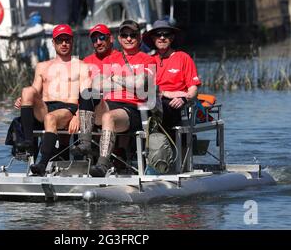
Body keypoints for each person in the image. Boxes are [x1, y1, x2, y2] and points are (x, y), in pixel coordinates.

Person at [80, 20, 157, 177]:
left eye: (132, 35)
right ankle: (85, 143)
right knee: (87, 93)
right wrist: (129, 81)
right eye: (125, 35)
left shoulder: (147, 59)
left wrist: (116, 78)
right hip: (110, 103)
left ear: (139, 37)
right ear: (120, 38)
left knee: (109, 116)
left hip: (133, 109)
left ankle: (102, 164)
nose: (128, 38)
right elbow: (98, 83)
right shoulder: (110, 59)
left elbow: (141, 85)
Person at [12, 24, 90, 176]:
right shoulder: (42, 66)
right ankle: (28, 144)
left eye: (67, 40)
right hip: (46, 106)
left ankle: (42, 164)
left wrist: (78, 115)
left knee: (50, 117)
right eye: (60, 40)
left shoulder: (81, 66)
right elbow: (35, 90)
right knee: (27, 91)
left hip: (68, 108)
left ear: (72, 41)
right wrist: (24, 100)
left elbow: (86, 95)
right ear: (53, 43)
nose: (64, 44)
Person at [142, 20, 201, 132]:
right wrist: (164, 93)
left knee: (164, 105)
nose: (162, 37)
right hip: (155, 102)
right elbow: (145, 89)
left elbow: (193, 89)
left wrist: (183, 98)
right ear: (153, 38)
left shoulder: (183, 57)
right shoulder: (148, 60)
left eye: (166, 34)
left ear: (172, 38)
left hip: (176, 105)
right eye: (158, 34)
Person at [71, 24, 121, 156]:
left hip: (113, 106)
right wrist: (76, 113)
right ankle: (72, 154)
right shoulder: (86, 61)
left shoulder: (120, 58)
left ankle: (117, 155)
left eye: (102, 38)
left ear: (111, 39)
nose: (98, 42)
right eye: (94, 40)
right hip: (89, 106)